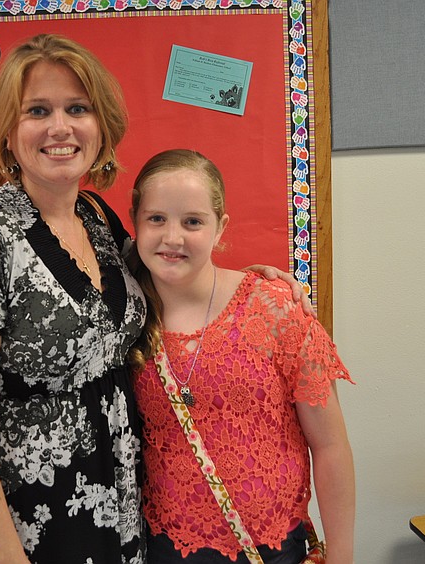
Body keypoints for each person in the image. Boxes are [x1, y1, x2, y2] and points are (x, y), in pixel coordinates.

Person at [0, 34, 313, 564]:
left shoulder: (97, 218)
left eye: (76, 109)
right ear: (8, 133)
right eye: (38, 110)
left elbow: (173, 269)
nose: (60, 127)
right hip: (36, 526)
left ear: (100, 125)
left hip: (126, 510)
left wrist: (252, 282)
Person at [128, 149, 355, 564]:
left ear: (220, 228)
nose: (173, 237)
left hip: (273, 549)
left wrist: (341, 555)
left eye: (193, 221)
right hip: (165, 548)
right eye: (156, 218)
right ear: (135, 222)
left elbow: (330, 445)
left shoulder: (274, 309)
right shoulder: (124, 317)